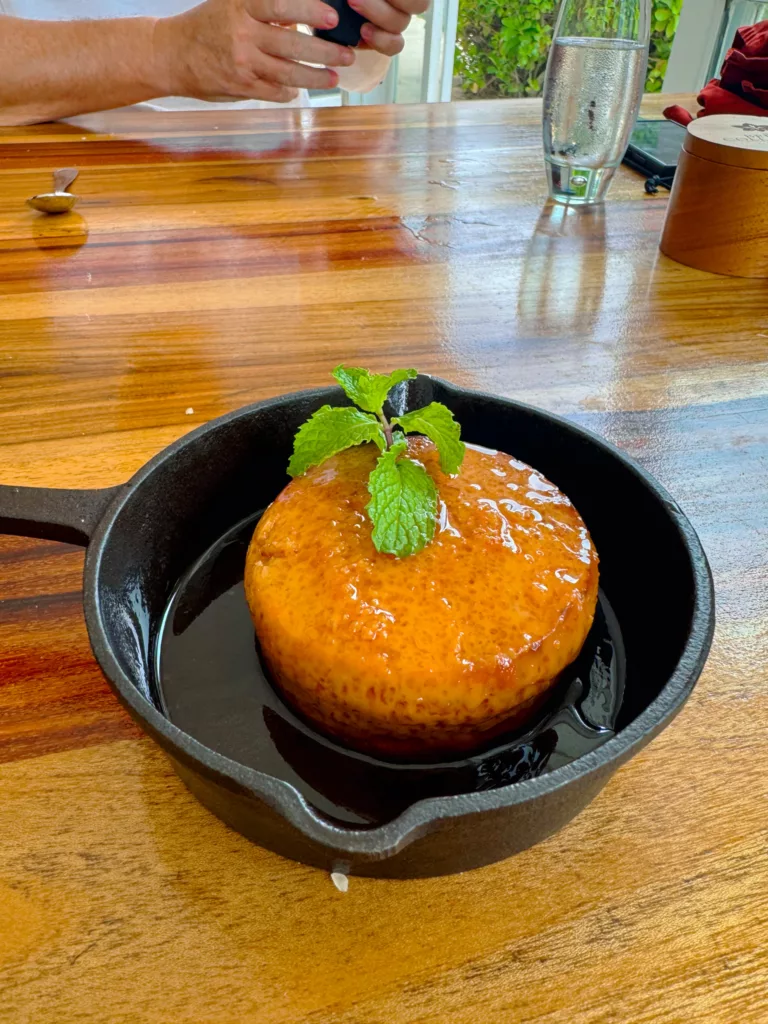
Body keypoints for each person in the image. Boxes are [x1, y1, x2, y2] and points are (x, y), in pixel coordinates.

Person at [0, 0, 426, 125]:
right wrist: (165, 50)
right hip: (61, 202)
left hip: (262, 194)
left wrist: (359, 26)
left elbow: (360, 76)